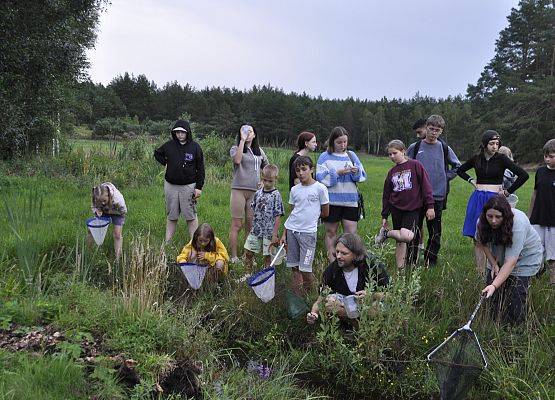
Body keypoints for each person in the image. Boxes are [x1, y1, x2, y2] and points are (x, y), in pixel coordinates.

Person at [457, 130, 529, 274]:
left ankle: (497, 269)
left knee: (496, 235)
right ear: (484, 144)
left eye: (497, 143)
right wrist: (471, 180)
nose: (495, 146)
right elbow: (460, 170)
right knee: (477, 237)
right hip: (477, 198)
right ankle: (480, 273)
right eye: (491, 143)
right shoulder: (477, 158)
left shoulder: (502, 159)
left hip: (494, 199)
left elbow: (523, 175)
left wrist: (507, 192)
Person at [477, 196, 542, 325]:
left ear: (505, 215)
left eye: (498, 217)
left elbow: (511, 262)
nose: (493, 221)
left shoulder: (518, 223)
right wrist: (493, 263)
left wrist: (494, 284)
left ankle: (515, 330)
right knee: (492, 295)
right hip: (499, 255)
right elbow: (482, 242)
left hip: (525, 258)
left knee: (516, 296)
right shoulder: (482, 221)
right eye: (490, 216)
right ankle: (494, 324)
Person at [406, 115, 461, 267]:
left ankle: (431, 260)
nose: (433, 133)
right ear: (426, 127)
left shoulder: (444, 148)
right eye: (431, 129)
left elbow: (458, 167)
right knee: (414, 229)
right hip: (416, 196)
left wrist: (445, 177)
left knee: (435, 231)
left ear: (441, 131)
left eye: (437, 130)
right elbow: (405, 166)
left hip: (437, 195)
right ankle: (412, 259)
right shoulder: (415, 147)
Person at [375, 140, 435, 269]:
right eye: (389, 154)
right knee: (400, 240)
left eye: (394, 153)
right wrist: (385, 215)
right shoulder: (391, 172)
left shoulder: (415, 165)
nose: (392, 156)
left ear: (403, 151)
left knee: (407, 236)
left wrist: (430, 206)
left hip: (412, 208)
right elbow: (386, 195)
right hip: (396, 208)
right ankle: (400, 269)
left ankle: (385, 234)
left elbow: (426, 186)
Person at [306, 233, 389, 325]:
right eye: (337, 252)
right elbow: (320, 299)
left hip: (368, 304)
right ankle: (353, 325)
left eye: (344, 253)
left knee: (378, 307)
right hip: (345, 306)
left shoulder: (372, 265)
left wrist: (370, 295)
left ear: (356, 254)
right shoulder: (332, 270)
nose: (338, 256)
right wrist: (313, 314)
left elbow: (390, 295)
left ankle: (364, 327)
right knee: (329, 303)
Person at [316, 126, 366, 262]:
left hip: (350, 201)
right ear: (332, 141)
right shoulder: (324, 156)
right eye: (339, 142)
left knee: (351, 235)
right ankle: (332, 262)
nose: (343, 145)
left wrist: (355, 171)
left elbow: (362, 176)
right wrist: (338, 173)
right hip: (331, 202)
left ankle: (348, 261)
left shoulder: (351, 155)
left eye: (345, 142)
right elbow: (321, 178)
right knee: (331, 233)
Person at [281, 156, 329, 296]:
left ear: (311, 169)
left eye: (304, 169)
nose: (300, 173)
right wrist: (284, 234)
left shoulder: (320, 188)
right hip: (292, 232)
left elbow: (325, 212)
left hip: (308, 234)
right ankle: (298, 296)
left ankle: (313, 296)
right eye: (297, 170)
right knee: (294, 267)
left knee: (305, 268)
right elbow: (292, 213)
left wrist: (310, 218)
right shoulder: (295, 190)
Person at [154, 119, 205, 241]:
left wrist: (199, 187)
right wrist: (166, 162)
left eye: (182, 132)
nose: (180, 135)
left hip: (189, 186)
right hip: (170, 185)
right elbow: (157, 153)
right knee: (172, 215)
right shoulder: (169, 145)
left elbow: (201, 168)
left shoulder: (195, 147)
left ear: (187, 132)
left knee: (190, 215)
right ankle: (168, 242)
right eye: (177, 132)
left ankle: (194, 242)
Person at [229, 125, 269, 263]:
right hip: (238, 190)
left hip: (254, 193)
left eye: (250, 131)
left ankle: (248, 256)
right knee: (236, 225)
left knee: (250, 225)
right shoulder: (235, 148)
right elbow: (237, 160)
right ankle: (233, 257)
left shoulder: (259, 152)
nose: (247, 133)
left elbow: (268, 168)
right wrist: (242, 140)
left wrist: (264, 181)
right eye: (244, 131)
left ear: (255, 134)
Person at [244, 164, 284, 271]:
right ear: (262, 178)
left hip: (269, 232)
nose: (267, 183)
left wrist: (275, 235)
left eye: (270, 181)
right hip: (256, 230)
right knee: (248, 252)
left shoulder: (276, 195)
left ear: (276, 179)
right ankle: (248, 274)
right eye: (265, 180)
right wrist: (252, 226)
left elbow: (278, 215)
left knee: (268, 257)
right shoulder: (258, 193)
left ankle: (267, 278)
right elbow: (253, 209)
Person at [528, 139, 555, 285]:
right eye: (546, 156)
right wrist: (529, 215)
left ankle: (552, 285)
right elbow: (534, 194)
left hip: (553, 222)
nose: (547, 159)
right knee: (534, 252)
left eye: (551, 156)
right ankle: (532, 282)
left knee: (552, 257)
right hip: (537, 219)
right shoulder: (540, 172)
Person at [90, 182, 127, 260]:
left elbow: (123, 212)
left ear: (108, 195)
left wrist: (111, 212)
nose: (102, 203)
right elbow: (94, 206)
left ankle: (117, 258)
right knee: (92, 231)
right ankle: (90, 254)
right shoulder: (96, 195)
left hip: (117, 212)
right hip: (102, 211)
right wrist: (96, 210)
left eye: (104, 200)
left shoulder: (118, 200)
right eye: (100, 201)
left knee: (117, 234)